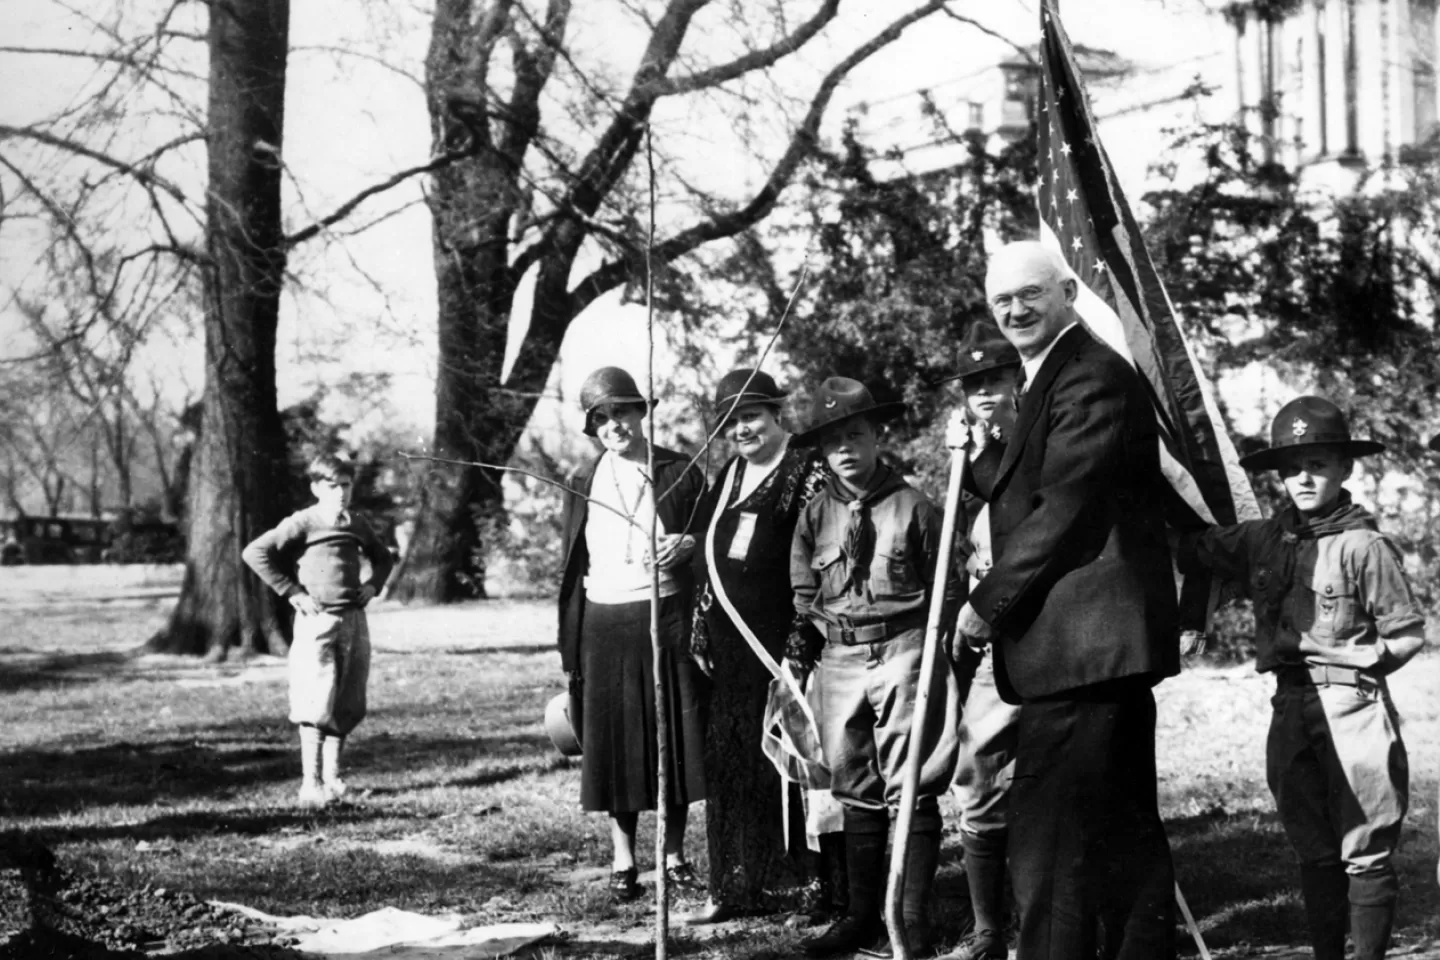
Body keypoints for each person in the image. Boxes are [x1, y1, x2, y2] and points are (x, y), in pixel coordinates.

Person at [951, 241, 1181, 959]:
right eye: (1002, 302)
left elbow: (1063, 507)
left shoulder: (1091, 376)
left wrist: (984, 603)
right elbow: (1032, 488)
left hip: (1084, 653)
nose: (1015, 310)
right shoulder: (1051, 376)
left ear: (1069, 292)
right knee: (1122, 837)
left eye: (1030, 294)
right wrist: (984, 457)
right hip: (1086, 654)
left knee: (1049, 847)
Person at [1179, 397, 1426, 960]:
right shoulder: (1263, 539)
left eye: (1317, 465)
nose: (1303, 479)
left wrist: (1360, 671)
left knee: (1364, 844)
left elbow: (1407, 634)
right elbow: (1193, 545)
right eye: (1292, 469)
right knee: (1312, 847)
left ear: (1344, 469)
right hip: (1290, 706)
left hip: (1351, 705)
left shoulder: (1365, 545)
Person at [787, 376, 960, 959]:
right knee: (853, 786)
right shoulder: (814, 513)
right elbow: (802, 586)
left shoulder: (915, 507)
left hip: (905, 651)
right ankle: (862, 917)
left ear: (875, 436)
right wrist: (831, 638)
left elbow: (948, 586)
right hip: (838, 657)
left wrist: (922, 651)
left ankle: (908, 918)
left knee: (912, 782)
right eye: (833, 439)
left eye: (855, 434)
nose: (845, 448)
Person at [556, 366, 708, 904]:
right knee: (617, 742)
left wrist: (689, 544)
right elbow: (573, 563)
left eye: (622, 411)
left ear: (642, 413)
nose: (613, 424)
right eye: (601, 417)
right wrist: (570, 642)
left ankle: (674, 857)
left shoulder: (679, 471)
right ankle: (624, 860)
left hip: (666, 613)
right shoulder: (580, 480)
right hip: (604, 620)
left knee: (672, 737)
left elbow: (710, 536)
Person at [685, 369, 832, 924]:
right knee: (734, 761)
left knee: (796, 762)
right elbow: (709, 554)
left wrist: (803, 635)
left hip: (787, 643)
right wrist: (701, 623)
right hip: (730, 650)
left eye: (751, 415)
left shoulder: (806, 466)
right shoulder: (729, 473)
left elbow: (826, 551)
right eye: (731, 420)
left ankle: (811, 886)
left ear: (776, 413)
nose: (741, 428)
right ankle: (738, 883)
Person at [936, 321, 1022, 960]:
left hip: (1048, 634)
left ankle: (1063, 923)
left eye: (995, 377)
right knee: (977, 774)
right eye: (974, 384)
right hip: (991, 644)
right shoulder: (974, 450)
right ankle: (991, 926)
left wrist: (976, 463)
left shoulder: (1035, 435)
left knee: (1054, 782)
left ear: (1017, 378)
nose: (985, 392)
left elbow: (1019, 496)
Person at [242, 453, 393, 807]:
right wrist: (292, 592)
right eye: (331, 486)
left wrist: (372, 586)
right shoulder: (303, 521)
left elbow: (382, 557)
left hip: (353, 620)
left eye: (346, 485)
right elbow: (256, 552)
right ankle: (310, 784)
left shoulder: (356, 521)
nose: (340, 492)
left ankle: (333, 778)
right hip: (317, 622)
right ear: (315, 488)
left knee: (347, 696)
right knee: (315, 698)